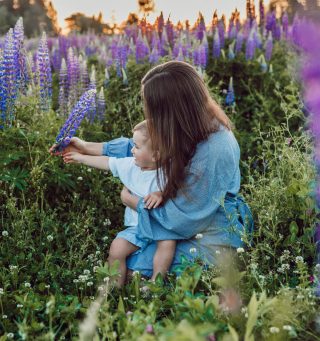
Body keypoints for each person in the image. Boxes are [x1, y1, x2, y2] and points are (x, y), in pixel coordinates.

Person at [51, 61, 253, 281]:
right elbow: (146, 147)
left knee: (133, 271)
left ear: (172, 110)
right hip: (181, 218)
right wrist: (87, 146)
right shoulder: (190, 125)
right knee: (123, 259)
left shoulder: (215, 148)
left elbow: (184, 219)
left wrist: (134, 202)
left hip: (210, 228)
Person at [61, 121, 177, 287]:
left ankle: (156, 283)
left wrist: (161, 193)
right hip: (136, 228)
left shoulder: (168, 171)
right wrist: (80, 158)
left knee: (167, 243)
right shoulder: (130, 165)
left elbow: (178, 189)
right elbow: (107, 162)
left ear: (155, 156)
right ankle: (113, 290)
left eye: (136, 147)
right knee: (117, 248)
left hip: (159, 226)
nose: (131, 150)